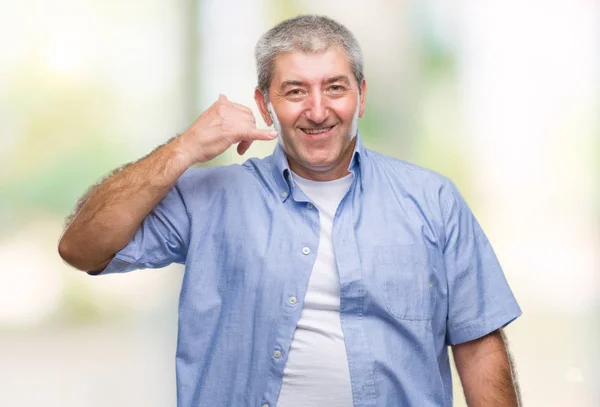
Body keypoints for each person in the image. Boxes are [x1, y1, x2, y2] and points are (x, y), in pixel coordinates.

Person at [58, 14, 522, 407]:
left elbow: (479, 345)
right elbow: (82, 249)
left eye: (335, 88)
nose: (318, 111)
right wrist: (183, 149)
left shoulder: (433, 200)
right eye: (296, 91)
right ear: (264, 102)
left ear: (361, 93)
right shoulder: (209, 198)